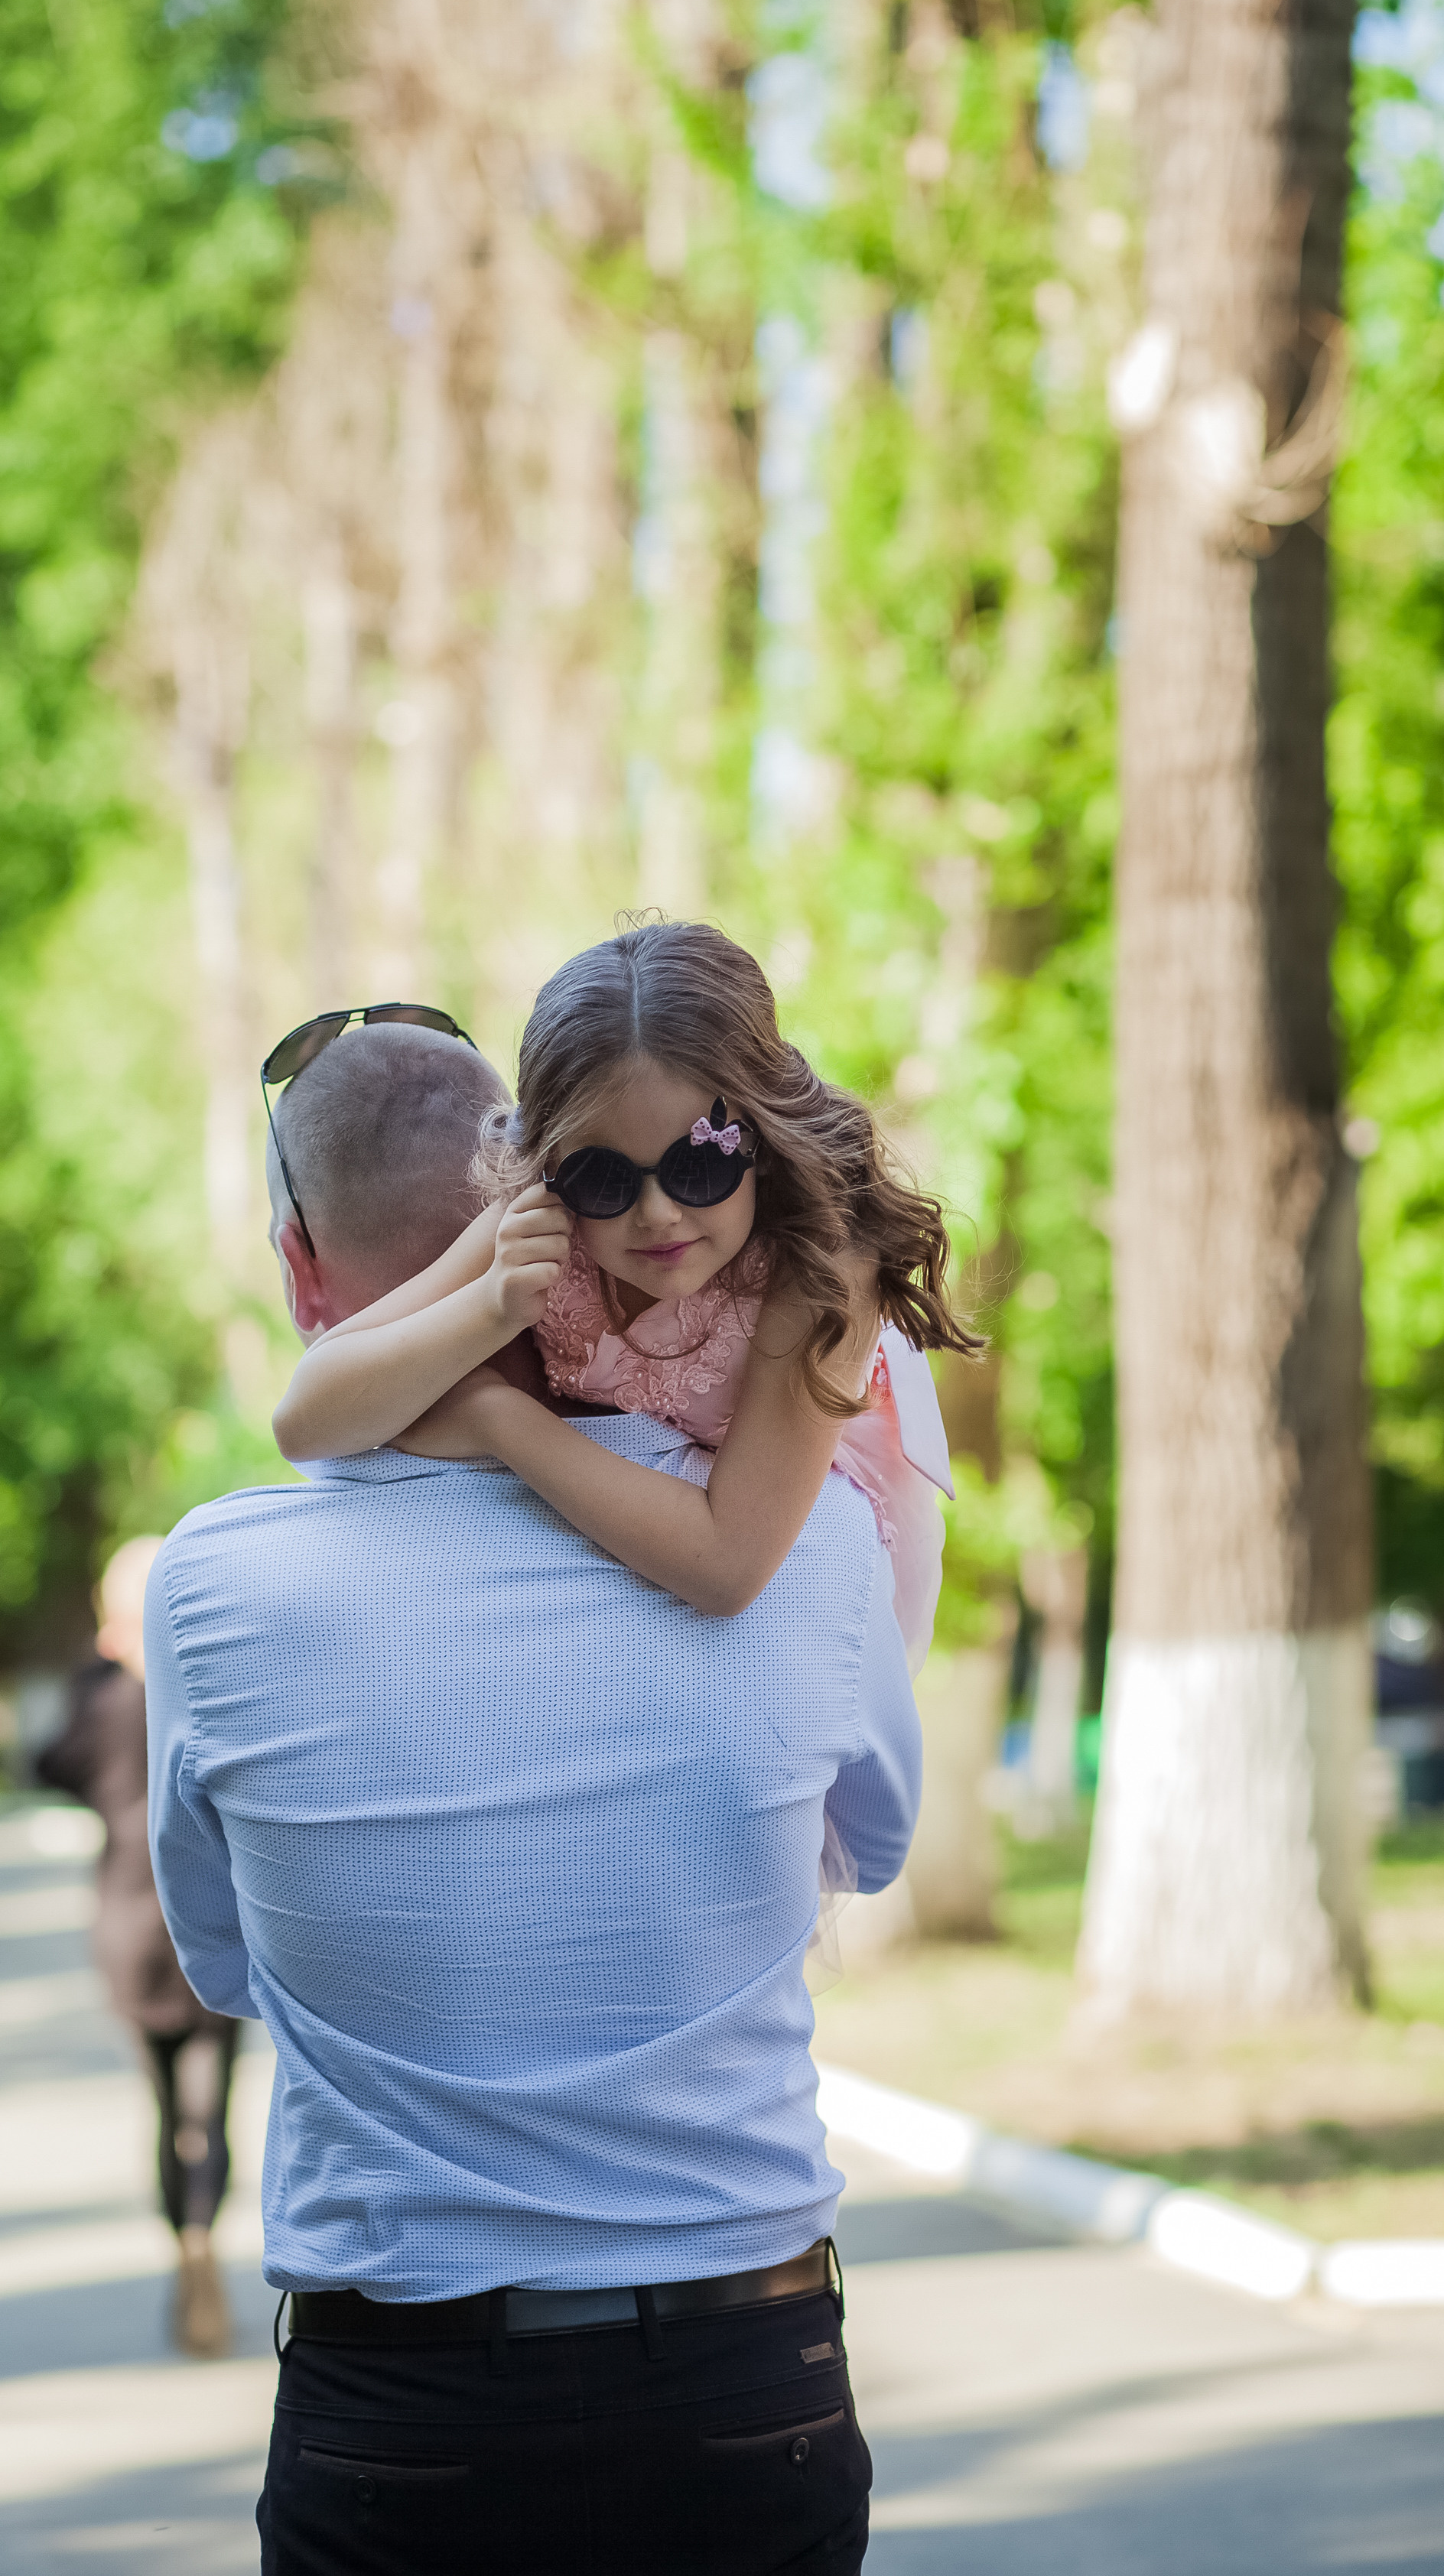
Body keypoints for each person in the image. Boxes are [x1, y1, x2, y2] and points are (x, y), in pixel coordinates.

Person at [147, 1012, 924, 2574]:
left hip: (400, 2409)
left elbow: (228, 1963)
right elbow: (874, 1844)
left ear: (304, 1275)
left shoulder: (214, 1587)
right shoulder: (808, 1539)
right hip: (741, 2378)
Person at [269, 918, 964, 1933]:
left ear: (762, 1137)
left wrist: (504, 1419)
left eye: (700, 1162)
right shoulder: (538, 1225)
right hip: (649, 1531)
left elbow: (731, 1565)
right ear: (549, 1166)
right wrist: (490, 1307)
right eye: (604, 1178)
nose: (655, 1217)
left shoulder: (821, 1268)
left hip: (793, 1518)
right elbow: (304, 1416)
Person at [39, 1535, 242, 2358]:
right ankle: (204, 2238)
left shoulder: (105, 1703)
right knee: (214, 2104)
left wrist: (98, 1669)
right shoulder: (212, 1689)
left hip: (129, 1931)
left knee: (165, 2110)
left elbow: (46, 1763)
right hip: (214, 1922)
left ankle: (179, 2243)